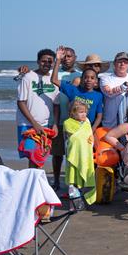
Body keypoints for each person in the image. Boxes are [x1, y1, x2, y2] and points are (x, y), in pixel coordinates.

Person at [16, 49, 59, 171]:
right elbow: (21, 102)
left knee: (40, 155)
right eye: (43, 61)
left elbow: (56, 105)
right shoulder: (28, 77)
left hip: (44, 125)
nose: (46, 64)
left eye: (50, 61)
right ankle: (33, 183)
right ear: (38, 61)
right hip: (27, 124)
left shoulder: (53, 79)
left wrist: (55, 124)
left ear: (53, 63)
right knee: (32, 155)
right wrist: (34, 124)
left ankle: (34, 182)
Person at [51, 46, 103, 130]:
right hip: (72, 128)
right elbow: (54, 80)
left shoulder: (100, 91)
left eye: (96, 65)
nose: (89, 80)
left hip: (90, 128)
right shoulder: (73, 89)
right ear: (81, 78)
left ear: (96, 81)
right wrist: (58, 60)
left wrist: (92, 129)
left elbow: (99, 115)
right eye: (86, 77)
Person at [49, 46, 79, 190]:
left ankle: (71, 182)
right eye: (64, 56)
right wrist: (57, 60)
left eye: (69, 56)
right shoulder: (54, 73)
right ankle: (55, 180)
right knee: (57, 153)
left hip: (74, 123)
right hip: (56, 120)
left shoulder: (80, 76)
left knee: (72, 155)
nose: (66, 59)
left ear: (75, 58)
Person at [99, 51, 128, 128]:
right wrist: (127, 85)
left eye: (125, 62)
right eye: (120, 61)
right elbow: (110, 93)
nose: (122, 64)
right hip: (110, 125)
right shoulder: (105, 78)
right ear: (114, 63)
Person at [62, 102, 96, 204]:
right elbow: (73, 138)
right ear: (73, 113)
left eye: (85, 112)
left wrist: (90, 140)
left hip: (85, 154)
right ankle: (75, 202)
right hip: (74, 154)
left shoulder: (87, 122)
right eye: (81, 112)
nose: (84, 114)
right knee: (73, 177)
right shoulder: (67, 123)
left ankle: (84, 198)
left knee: (86, 174)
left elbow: (89, 134)